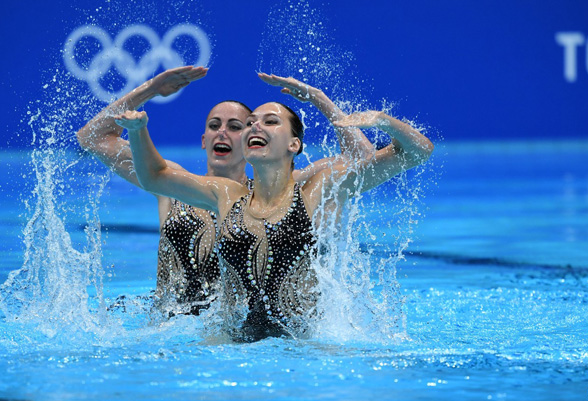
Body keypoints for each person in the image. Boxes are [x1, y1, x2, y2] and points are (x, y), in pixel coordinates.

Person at [116, 71, 434, 341]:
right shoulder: (227, 195)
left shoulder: (318, 192)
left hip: (300, 349)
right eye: (251, 122)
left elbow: (414, 153)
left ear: (294, 144)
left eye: (270, 122)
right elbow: (155, 176)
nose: (255, 126)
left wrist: (382, 121)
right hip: (227, 348)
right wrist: (137, 131)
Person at [76, 66, 371, 314]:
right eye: (215, 126)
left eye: (234, 126)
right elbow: (91, 137)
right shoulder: (172, 183)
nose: (222, 132)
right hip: (170, 329)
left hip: (233, 335)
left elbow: (363, 162)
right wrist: (150, 90)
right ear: (204, 140)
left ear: (252, 138)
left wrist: (319, 100)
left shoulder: (278, 195)